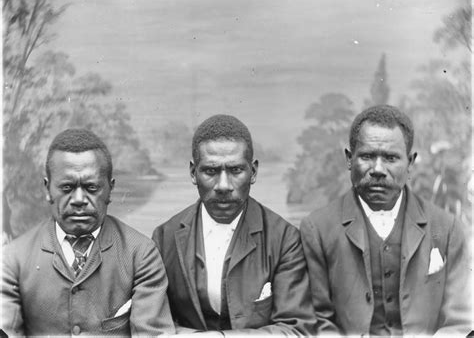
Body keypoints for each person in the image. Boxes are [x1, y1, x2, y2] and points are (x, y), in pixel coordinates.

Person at [300, 105, 471, 335]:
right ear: (350, 159)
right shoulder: (317, 229)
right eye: (367, 156)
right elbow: (318, 321)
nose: (378, 169)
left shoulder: (447, 228)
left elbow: (460, 321)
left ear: (410, 163)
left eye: (391, 158)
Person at [152, 114, 316, 335]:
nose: (223, 185)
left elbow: (296, 330)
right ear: (193, 172)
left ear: (253, 172)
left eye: (235, 170)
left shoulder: (285, 239)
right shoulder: (165, 237)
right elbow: (154, 325)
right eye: (211, 170)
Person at [1, 129, 175, 336]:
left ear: (110, 190)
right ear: (48, 189)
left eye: (91, 187)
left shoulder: (141, 254)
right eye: (66, 187)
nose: (78, 199)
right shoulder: (13, 259)